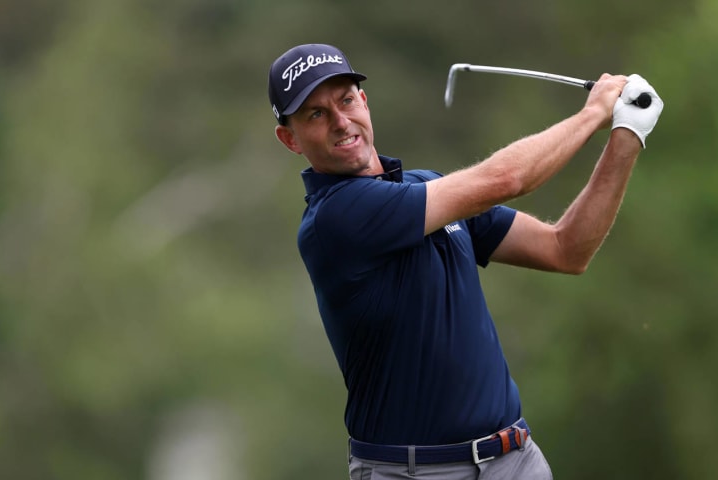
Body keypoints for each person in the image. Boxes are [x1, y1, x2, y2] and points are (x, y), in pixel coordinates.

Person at [267, 43, 663, 479]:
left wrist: (627, 135)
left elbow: (566, 249)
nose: (341, 122)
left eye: (345, 100)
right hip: (415, 472)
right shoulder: (336, 217)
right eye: (316, 114)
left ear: (364, 101)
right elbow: (507, 179)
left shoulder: (427, 192)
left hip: (515, 459)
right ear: (291, 139)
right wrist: (593, 114)